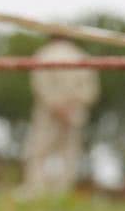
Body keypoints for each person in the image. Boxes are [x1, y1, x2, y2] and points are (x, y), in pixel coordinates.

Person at [20, 38, 99, 196]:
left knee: (41, 151)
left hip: (53, 111)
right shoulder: (81, 56)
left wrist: (58, 105)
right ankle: (60, 191)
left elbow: (39, 83)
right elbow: (91, 90)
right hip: (67, 111)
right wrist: (71, 105)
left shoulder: (45, 54)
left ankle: (37, 189)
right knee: (67, 153)